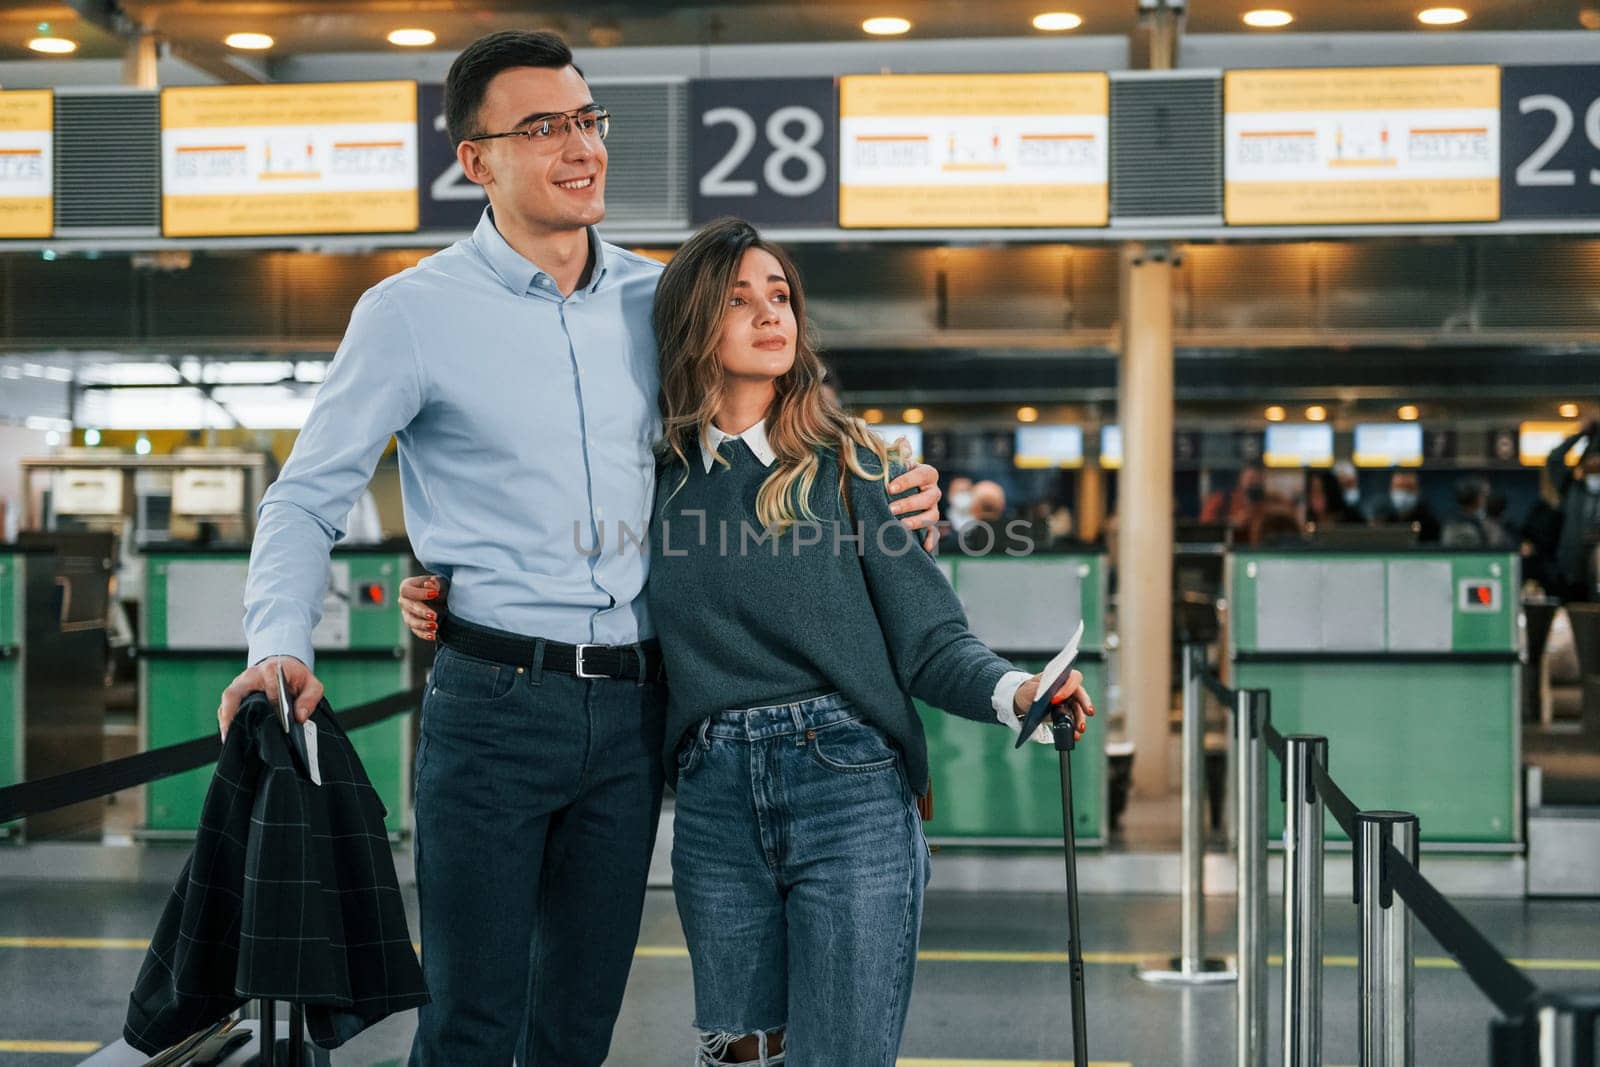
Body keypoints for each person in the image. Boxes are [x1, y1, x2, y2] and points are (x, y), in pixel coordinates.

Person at [213, 31, 947, 1067]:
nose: (580, 146)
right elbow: (305, 497)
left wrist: (892, 482)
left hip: (639, 710)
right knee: (470, 1018)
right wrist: (279, 639)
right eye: (542, 126)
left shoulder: (663, 301)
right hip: (493, 706)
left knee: (576, 1025)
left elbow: (773, 418)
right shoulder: (410, 315)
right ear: (476, 160)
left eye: (588, 120)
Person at [403, 218, 1093, 1065]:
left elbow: (930, 639)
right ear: (695, 323)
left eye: (781, 296)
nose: (772, 315)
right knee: (739, 1052)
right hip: (713, 800)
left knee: (838, 1053)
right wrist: (447, 593)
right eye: (739, 299)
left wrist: (1018, 690)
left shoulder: (856, 465)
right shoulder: (651, 477)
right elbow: (564, 577)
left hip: (850, 787)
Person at [1547, 420, 1600, 600]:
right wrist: (1581, 434)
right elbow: (1554, 459)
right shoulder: (1571, 488)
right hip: (1571, 569)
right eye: (1591, 457)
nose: (1595, 461)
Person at [1370, 469, 1440, 542]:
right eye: (1399, 487)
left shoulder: (1430, 522)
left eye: (1409, 487)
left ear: (1418, 490)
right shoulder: (1381, 518)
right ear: (1391, 489)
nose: (1404, 492)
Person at [1441, 476, 1509, 549]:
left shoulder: (1488, 520)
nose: (1488, 499)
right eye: (1484, 495)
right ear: (1474, 497)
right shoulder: (1454, 524)